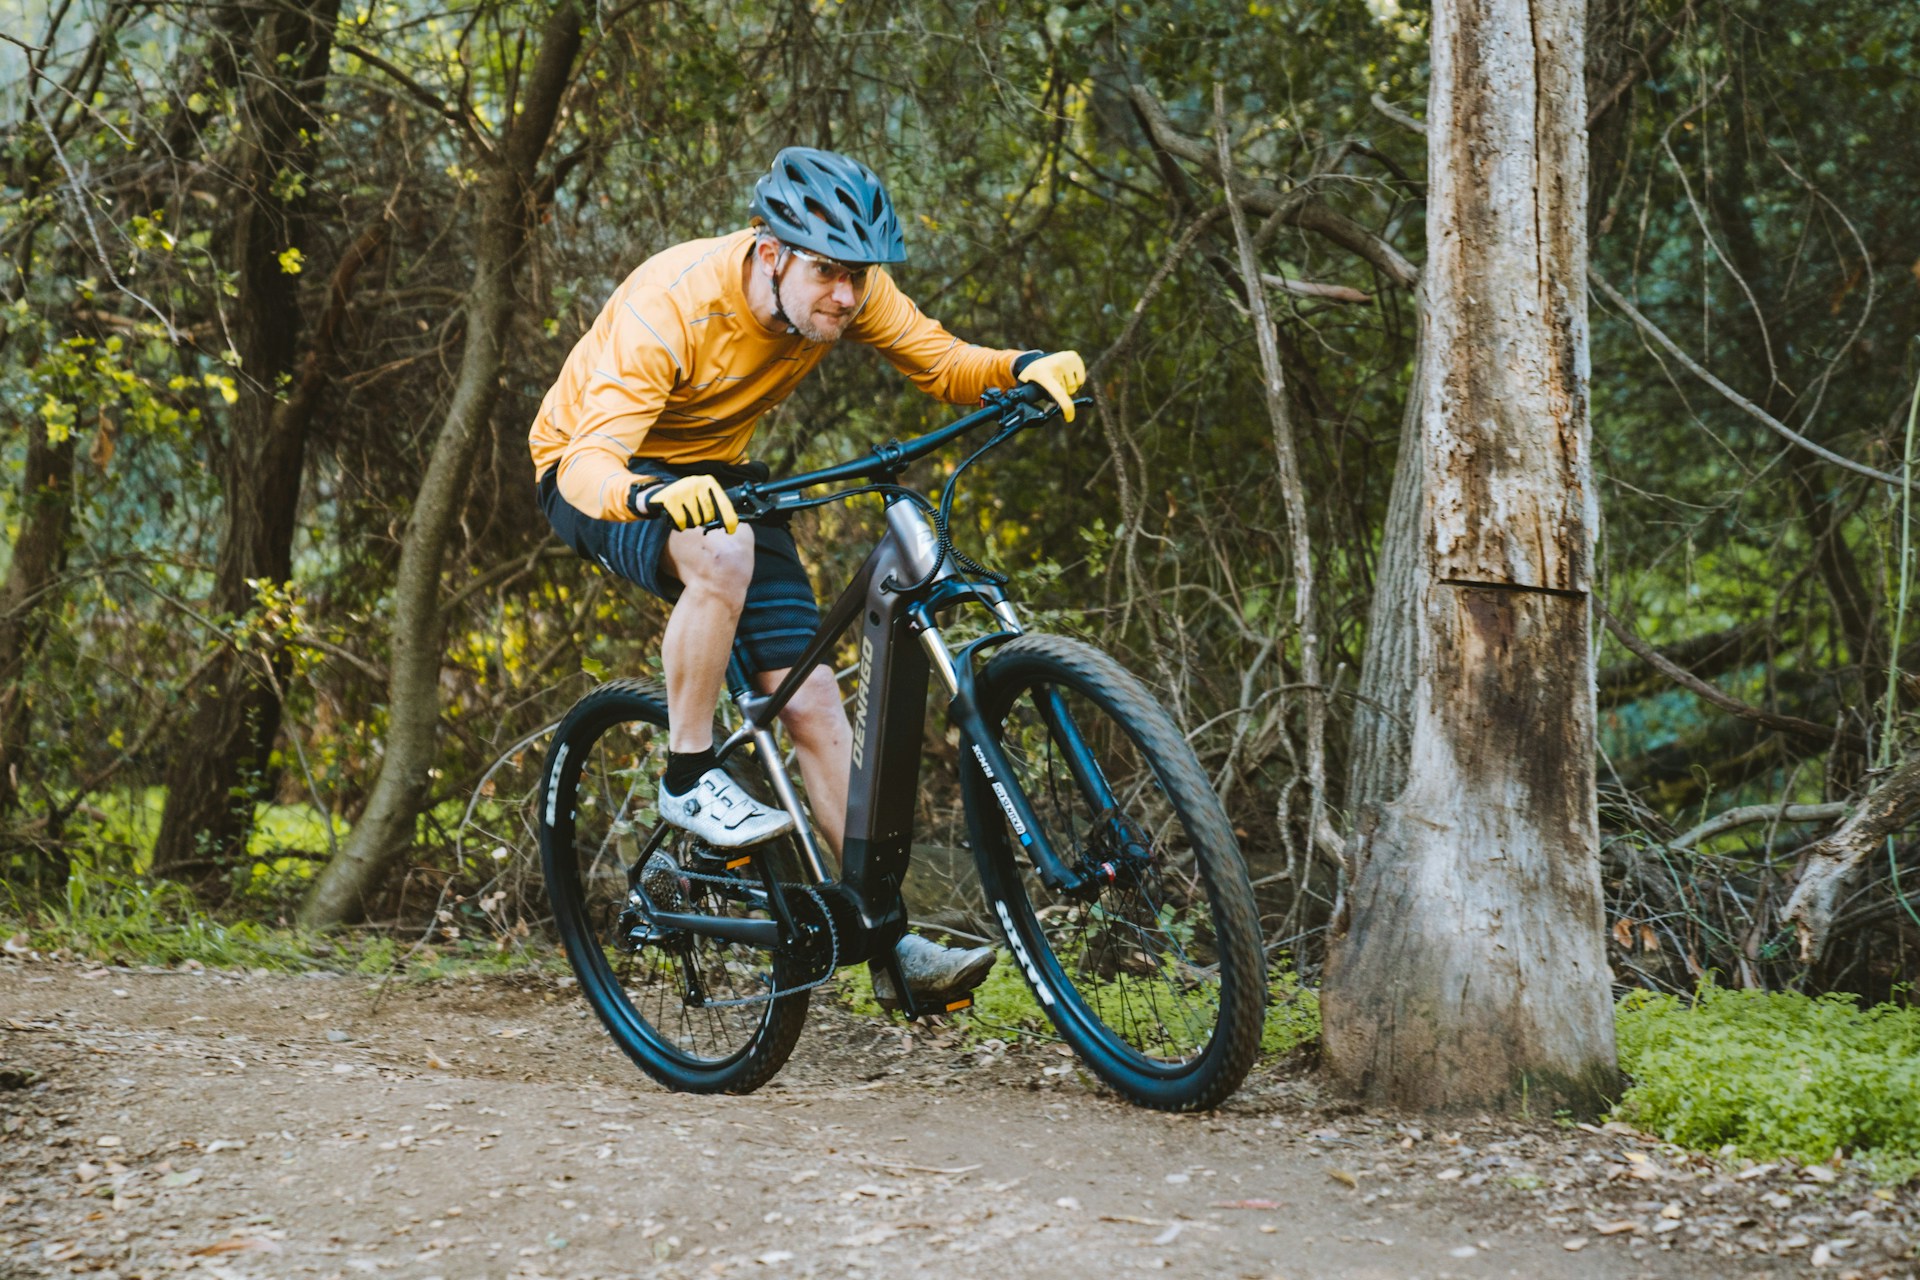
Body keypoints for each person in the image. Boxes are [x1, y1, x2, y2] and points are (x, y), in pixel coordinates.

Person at [529, 146, 1085, 1005]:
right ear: (771, 249)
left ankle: (889, 944)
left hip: (720, 471)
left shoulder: (842, 294)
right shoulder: (671, 303)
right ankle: (688, 779)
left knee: (816, 701)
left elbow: (939, 361)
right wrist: (653, 495)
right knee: (722, 550)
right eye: (828, 272)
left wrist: (1021, 368)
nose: (846, 296)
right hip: (605, 472)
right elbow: (586, 463)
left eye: (858, 276)